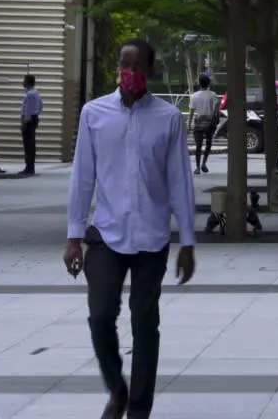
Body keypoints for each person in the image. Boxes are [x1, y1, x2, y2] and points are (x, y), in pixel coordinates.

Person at [64, 39, 197, 419]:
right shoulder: (94, 113)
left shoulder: (168, 118)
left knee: (144, 322)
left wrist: (187, 243)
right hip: (106, 233)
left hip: (152, 237)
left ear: (150, 71)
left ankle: (139, 408)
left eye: (137, 66)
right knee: (101, 314)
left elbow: (179, 182)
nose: (129, 72)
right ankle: (116, 389)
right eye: (124, 64)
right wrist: (74, 237)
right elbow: (82, 177)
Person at [188, 75, 220, 174]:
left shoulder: (194, 96)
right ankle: (204, 163)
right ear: (208, 83)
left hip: (198, 121)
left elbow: (191, 111)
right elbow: (216, 109)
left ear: (199, 83)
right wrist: (216, 118)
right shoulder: (213, 95)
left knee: (198, 145)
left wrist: (189, 124)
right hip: (210, 121)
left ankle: (197, 167)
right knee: (208, 143)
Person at [19, 74, 42, 175]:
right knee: (31, 144)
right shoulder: (35, 93)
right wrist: (37, 115)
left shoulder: (30, 94)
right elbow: (41, 105)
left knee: (28, 144)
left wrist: (25, 121)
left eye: (24, 80)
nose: (22, 82)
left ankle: (29, 167)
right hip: (34, 118)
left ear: (28, 82)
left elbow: (27, 110)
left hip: (29, 120)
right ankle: (30, 166)